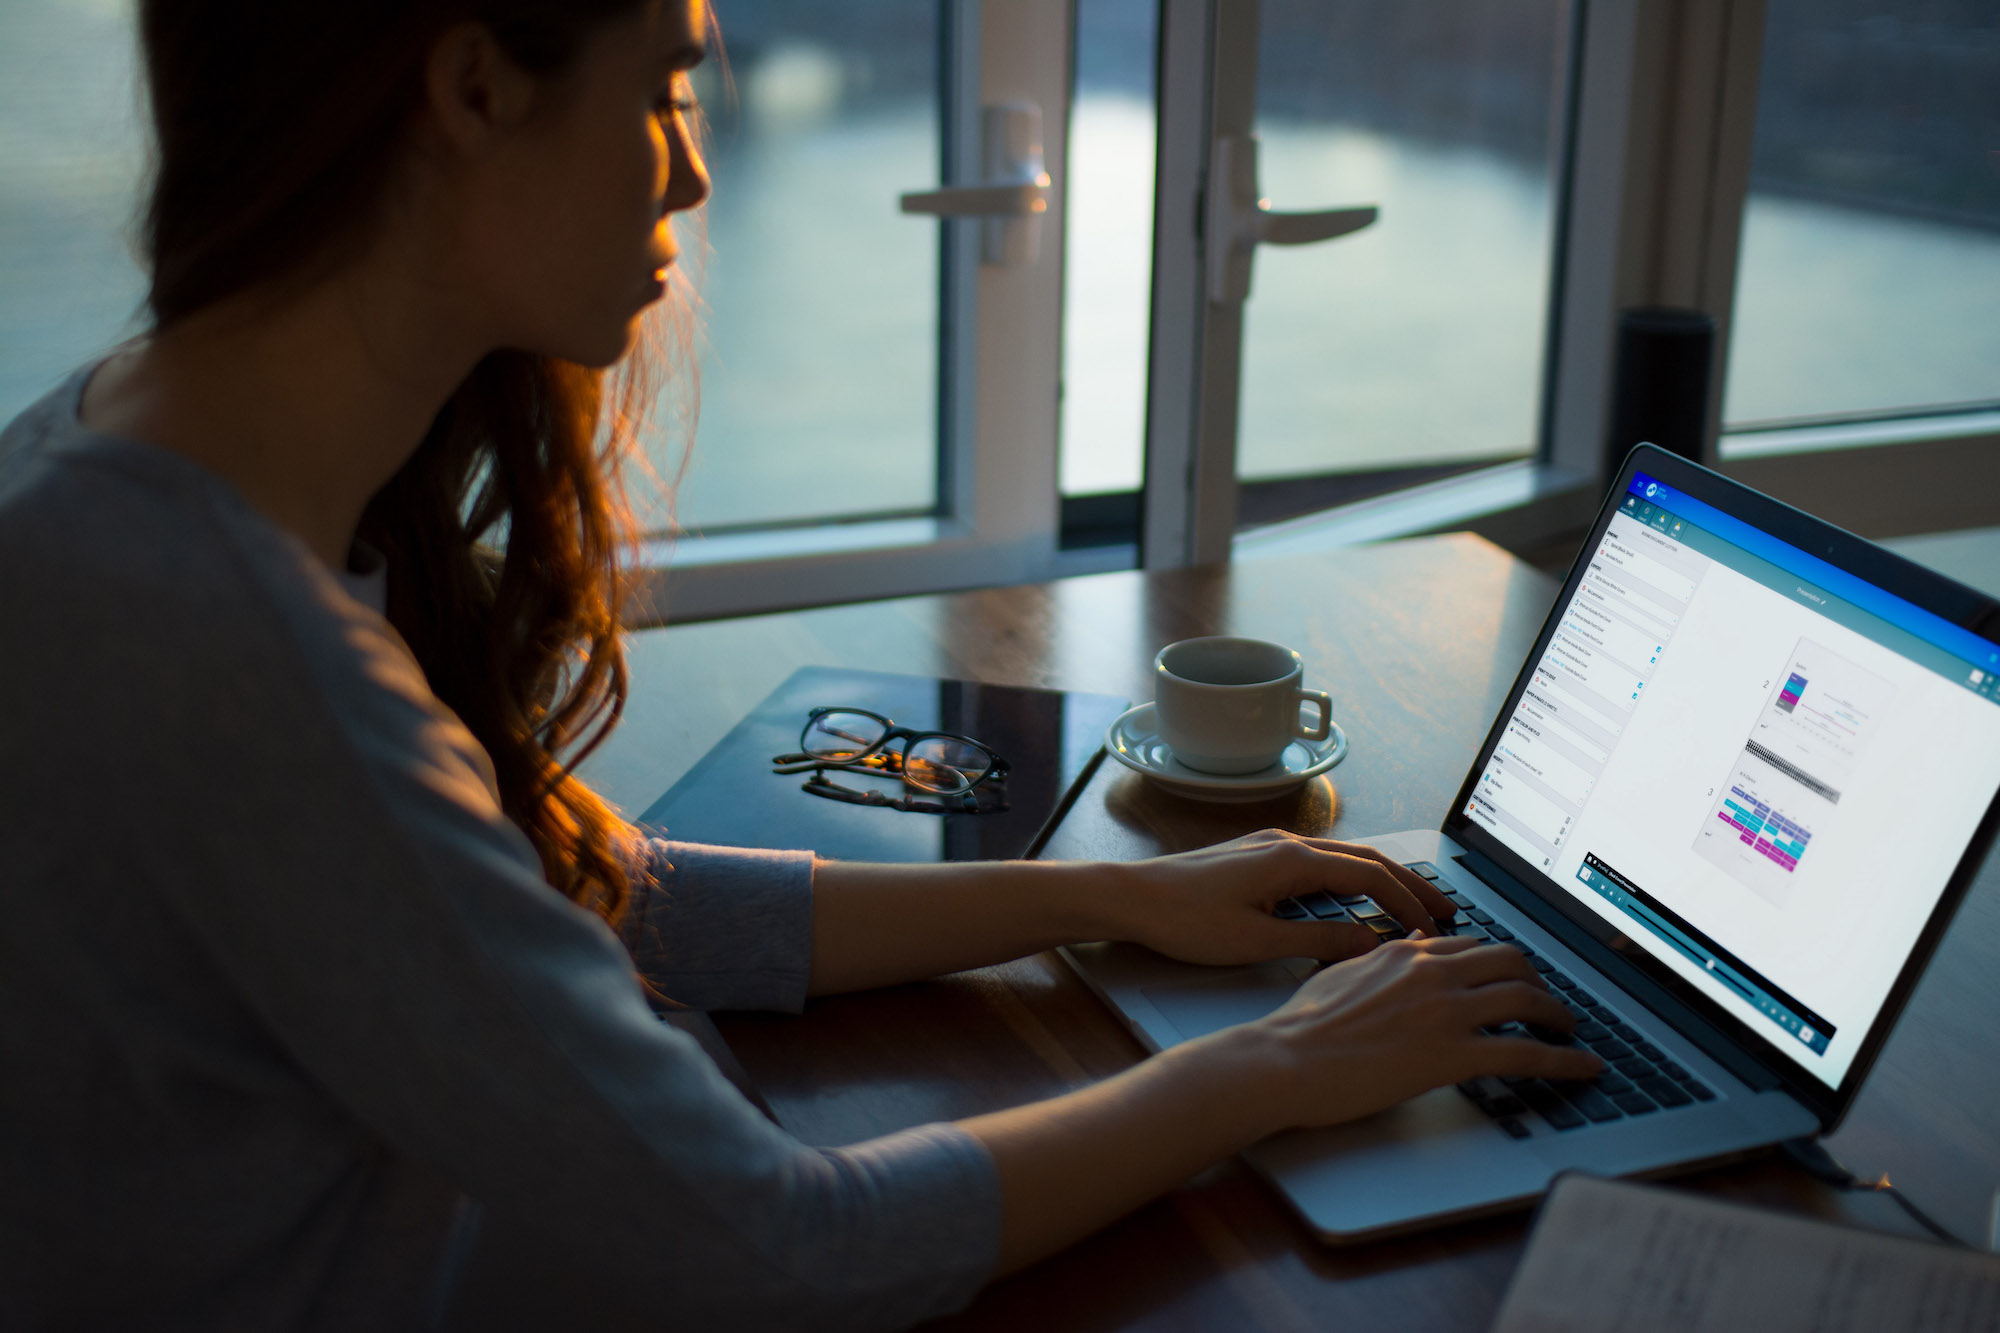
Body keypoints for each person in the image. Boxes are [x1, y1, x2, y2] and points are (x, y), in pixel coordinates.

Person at [0, 0, 1601, 1326]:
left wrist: (1101, 899)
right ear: (476, 81)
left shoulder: (107, 459)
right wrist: (1271, 1066)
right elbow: (786, 1245)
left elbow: (541, 891)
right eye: (667, 84)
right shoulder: (245, 666)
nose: (692, 173)